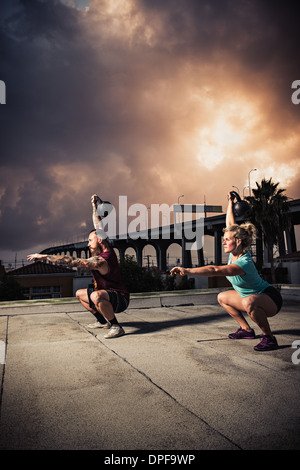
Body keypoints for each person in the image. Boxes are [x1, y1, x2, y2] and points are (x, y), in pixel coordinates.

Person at [170, 192, 283, 351]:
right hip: (250, 298)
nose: (223, 242)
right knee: (222, 297)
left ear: (238, 241)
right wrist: (230, 202)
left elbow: (214, 269)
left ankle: (269, 338)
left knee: (249, 302)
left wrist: (187, 270)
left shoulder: (243, 262)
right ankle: (246, 330)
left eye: (227, 240)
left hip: (270, 299)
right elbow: (230, 223)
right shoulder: (234, 253)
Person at [27, 196, 129, 339]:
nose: (87, 244)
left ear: (99, 241)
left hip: (120, 299)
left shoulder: (102, 260)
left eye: (89, 241)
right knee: (80, 294)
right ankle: (102, 322)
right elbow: (97, 224)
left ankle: (116, 326)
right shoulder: (104, 246)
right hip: (107, 295)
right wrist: (95, 207)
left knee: (95, 295)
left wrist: (45, 257)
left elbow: (73, 261)